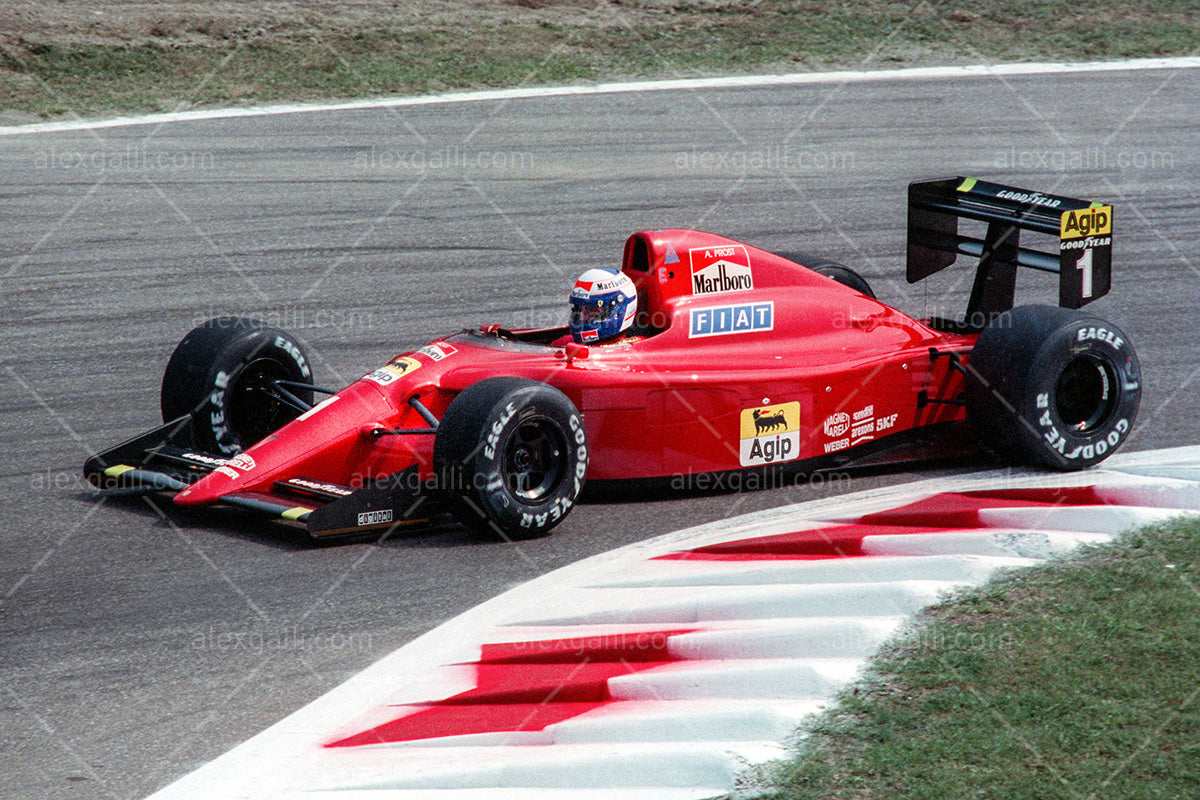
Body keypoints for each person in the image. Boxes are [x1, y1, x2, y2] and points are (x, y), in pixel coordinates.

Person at [566, 267, 638, 345]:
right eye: (578, 309)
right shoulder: (565, 342)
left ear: (618, 310)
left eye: (592, 311)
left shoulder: (638, 348)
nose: (581, 317)